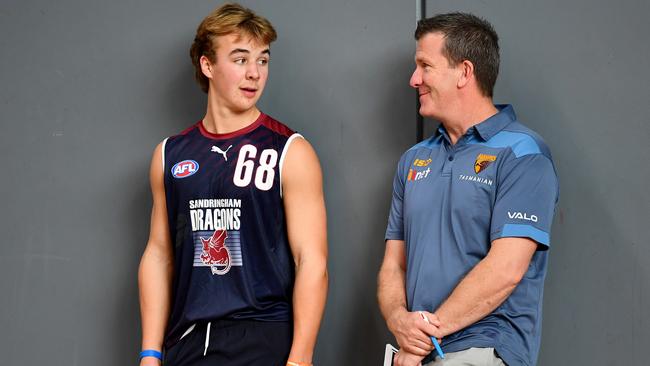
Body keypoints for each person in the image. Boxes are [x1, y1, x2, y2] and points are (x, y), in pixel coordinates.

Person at [138, 3, 328, 366]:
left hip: (262, 336)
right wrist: (150, 352)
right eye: (240, 59)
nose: (254, 73)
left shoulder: (290, 150)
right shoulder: (170, 154)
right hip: (187, 341)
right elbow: (159, 254)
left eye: (263, 60)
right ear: (207, 65)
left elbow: (312, 262)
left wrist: (300, 359)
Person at [378, 13, 559, 366]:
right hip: (419, 350)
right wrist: (399, 320)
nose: (414, 79)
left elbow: (506, 269)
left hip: (484, 346)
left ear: (464, 72)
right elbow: (392, 266)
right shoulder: (414, 160)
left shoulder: (523, 153)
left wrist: (423, 336)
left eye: (425, 66)